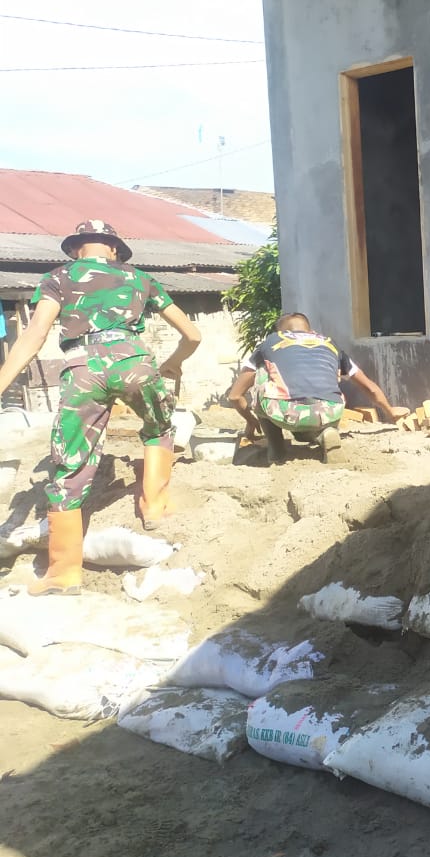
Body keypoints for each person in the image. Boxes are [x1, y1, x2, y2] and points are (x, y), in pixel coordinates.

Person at [0, 220, 202, 595]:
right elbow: (193, 335)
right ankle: (155, 506)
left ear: (76, 249)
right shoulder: (141, 278)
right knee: (159, 427)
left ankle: (63, 575)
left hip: (83, 369)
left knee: (70, 464)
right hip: (135, 361)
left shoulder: (58, 277)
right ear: (114, 249)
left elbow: (34, 335)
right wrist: (172, 363)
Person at [227, 312, 406, 464]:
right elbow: (369, 387)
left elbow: (235, 396)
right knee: (317, 400)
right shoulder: (330, 344)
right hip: (330, 412)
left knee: (262, 371)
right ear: (311, 331)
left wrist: (252, 422)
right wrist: (390, 411)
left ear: (280, 332)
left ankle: (276, 449)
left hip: (285, 412)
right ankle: (324, 434)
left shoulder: (270, 342)